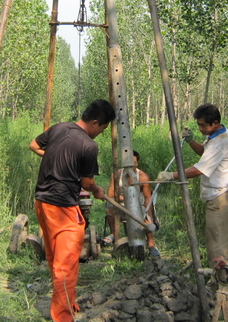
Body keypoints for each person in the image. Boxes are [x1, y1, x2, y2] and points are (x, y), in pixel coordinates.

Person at [29, 99, 116, 322]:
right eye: (103, 128)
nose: (101, 133)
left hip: (42, 203)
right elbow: (87, 183)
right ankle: (63, 317)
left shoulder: (58, 128)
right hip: (63, 206)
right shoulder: (88, 145)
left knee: (55, 258)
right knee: (66, 264)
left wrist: (55, 159)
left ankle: (66, 301)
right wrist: (97, 190)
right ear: (95, 123)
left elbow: (34, 146)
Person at [157, 103, 228, 267]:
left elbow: (199, 169)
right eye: (198, 125)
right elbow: (205, 153)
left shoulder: (219, 142)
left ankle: (220, 285)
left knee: (217, 245)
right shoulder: (218, 134)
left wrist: (172, 176)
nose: (200, 128)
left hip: (221, 198)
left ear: (215, 123)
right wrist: (191, 141)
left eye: (203, 125)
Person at [103, 151, 160, 257]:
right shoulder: (117, 175)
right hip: (121, 203)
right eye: (128, 162)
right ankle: (114, 234)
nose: (131, 165)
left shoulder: (143, 177)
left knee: (146, 216)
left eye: (133, 162)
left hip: (138, 205)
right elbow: (110, 194)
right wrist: (125, 199)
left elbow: (148, 197)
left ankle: (151, 243)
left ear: (137, 163)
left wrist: (149, 215)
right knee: (110, 207)